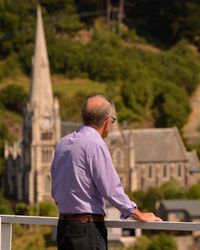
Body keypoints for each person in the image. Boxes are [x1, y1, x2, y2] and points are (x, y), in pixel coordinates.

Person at [51, 95, 162, 250]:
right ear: (107, 120)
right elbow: (111, 189)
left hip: (63, 227)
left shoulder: (63, 143)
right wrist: (138, 214)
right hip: (87, 229)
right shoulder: (96, 145)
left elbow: (55, 188)